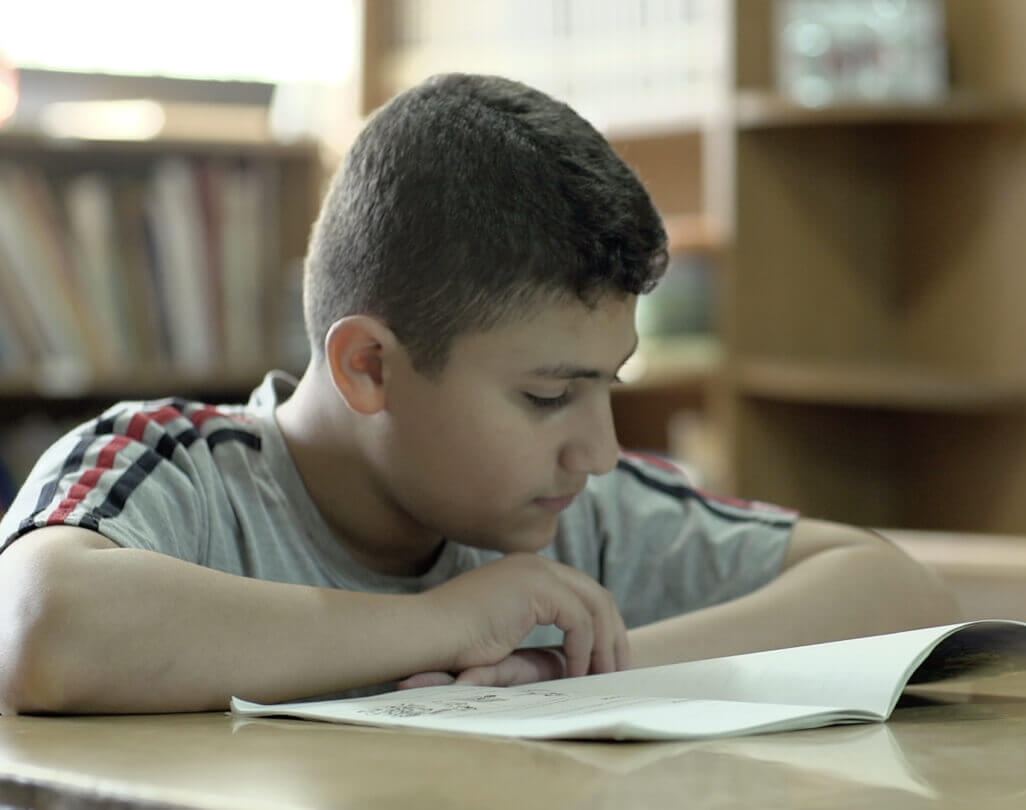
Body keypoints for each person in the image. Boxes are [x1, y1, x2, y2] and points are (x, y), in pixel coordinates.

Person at [0, 74, 959, 715]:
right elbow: (38, 625)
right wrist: (442, 625)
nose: (598, 451)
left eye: (608, 385)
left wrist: (571, 675)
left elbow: (896, 593)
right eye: (548, 396)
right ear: (368, 366)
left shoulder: (572, 519)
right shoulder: (174, 469)